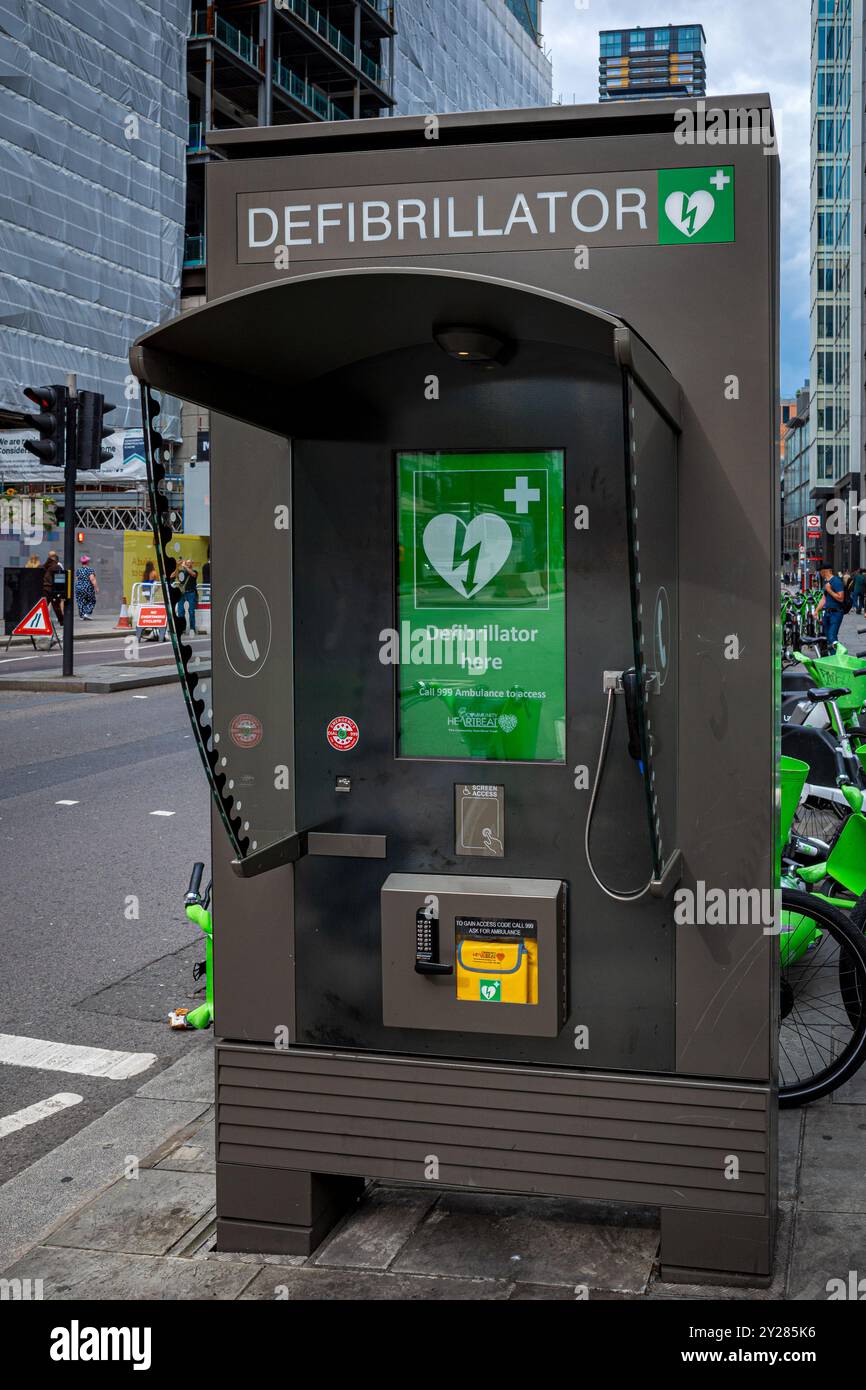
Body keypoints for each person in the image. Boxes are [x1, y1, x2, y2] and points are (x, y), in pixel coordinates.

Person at [816, 563, 846, 654]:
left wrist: (829, 590)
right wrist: (817, 610)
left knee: (832, 636)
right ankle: (832, 656)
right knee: (828, 637)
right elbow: (824, 598)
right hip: (827, 613)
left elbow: (841, 598)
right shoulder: (826, 582)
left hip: (836, 613)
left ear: (824, 571)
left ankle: (837, 656)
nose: (820, 573)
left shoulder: (836, 581)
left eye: (820, 571)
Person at [176, 558, 198, 634]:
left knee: (191, 611)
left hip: (191, 593)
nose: (187, 564)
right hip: (182, 594)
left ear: (192, 564)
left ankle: (192, 628)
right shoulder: (182, 572)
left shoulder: (194, 571)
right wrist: (177, 566)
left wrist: (185, 566)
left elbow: (193, 574)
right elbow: (178, 578)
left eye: (189, 562)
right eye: (186, 562)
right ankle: (182, 628)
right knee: (180, 611)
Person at [42, 549, 64, 626]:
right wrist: (61, 591)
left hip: (45, 588)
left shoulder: (44, 566)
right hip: (53, 589)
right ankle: (62, 621)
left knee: (43, 606)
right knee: (56, 606)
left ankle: (41, 622)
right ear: (55, 557)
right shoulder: (56, 566)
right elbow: (60, 579)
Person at [75, 555, 98, 620]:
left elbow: (76, 579)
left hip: (79, 587)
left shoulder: (78, 570)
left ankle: (82, 615)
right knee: (92, 600)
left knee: (80, 601)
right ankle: (87, 613)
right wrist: (96, 587)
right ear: (87, 562)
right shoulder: (90, 570)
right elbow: (92, 579)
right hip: (87, 588)